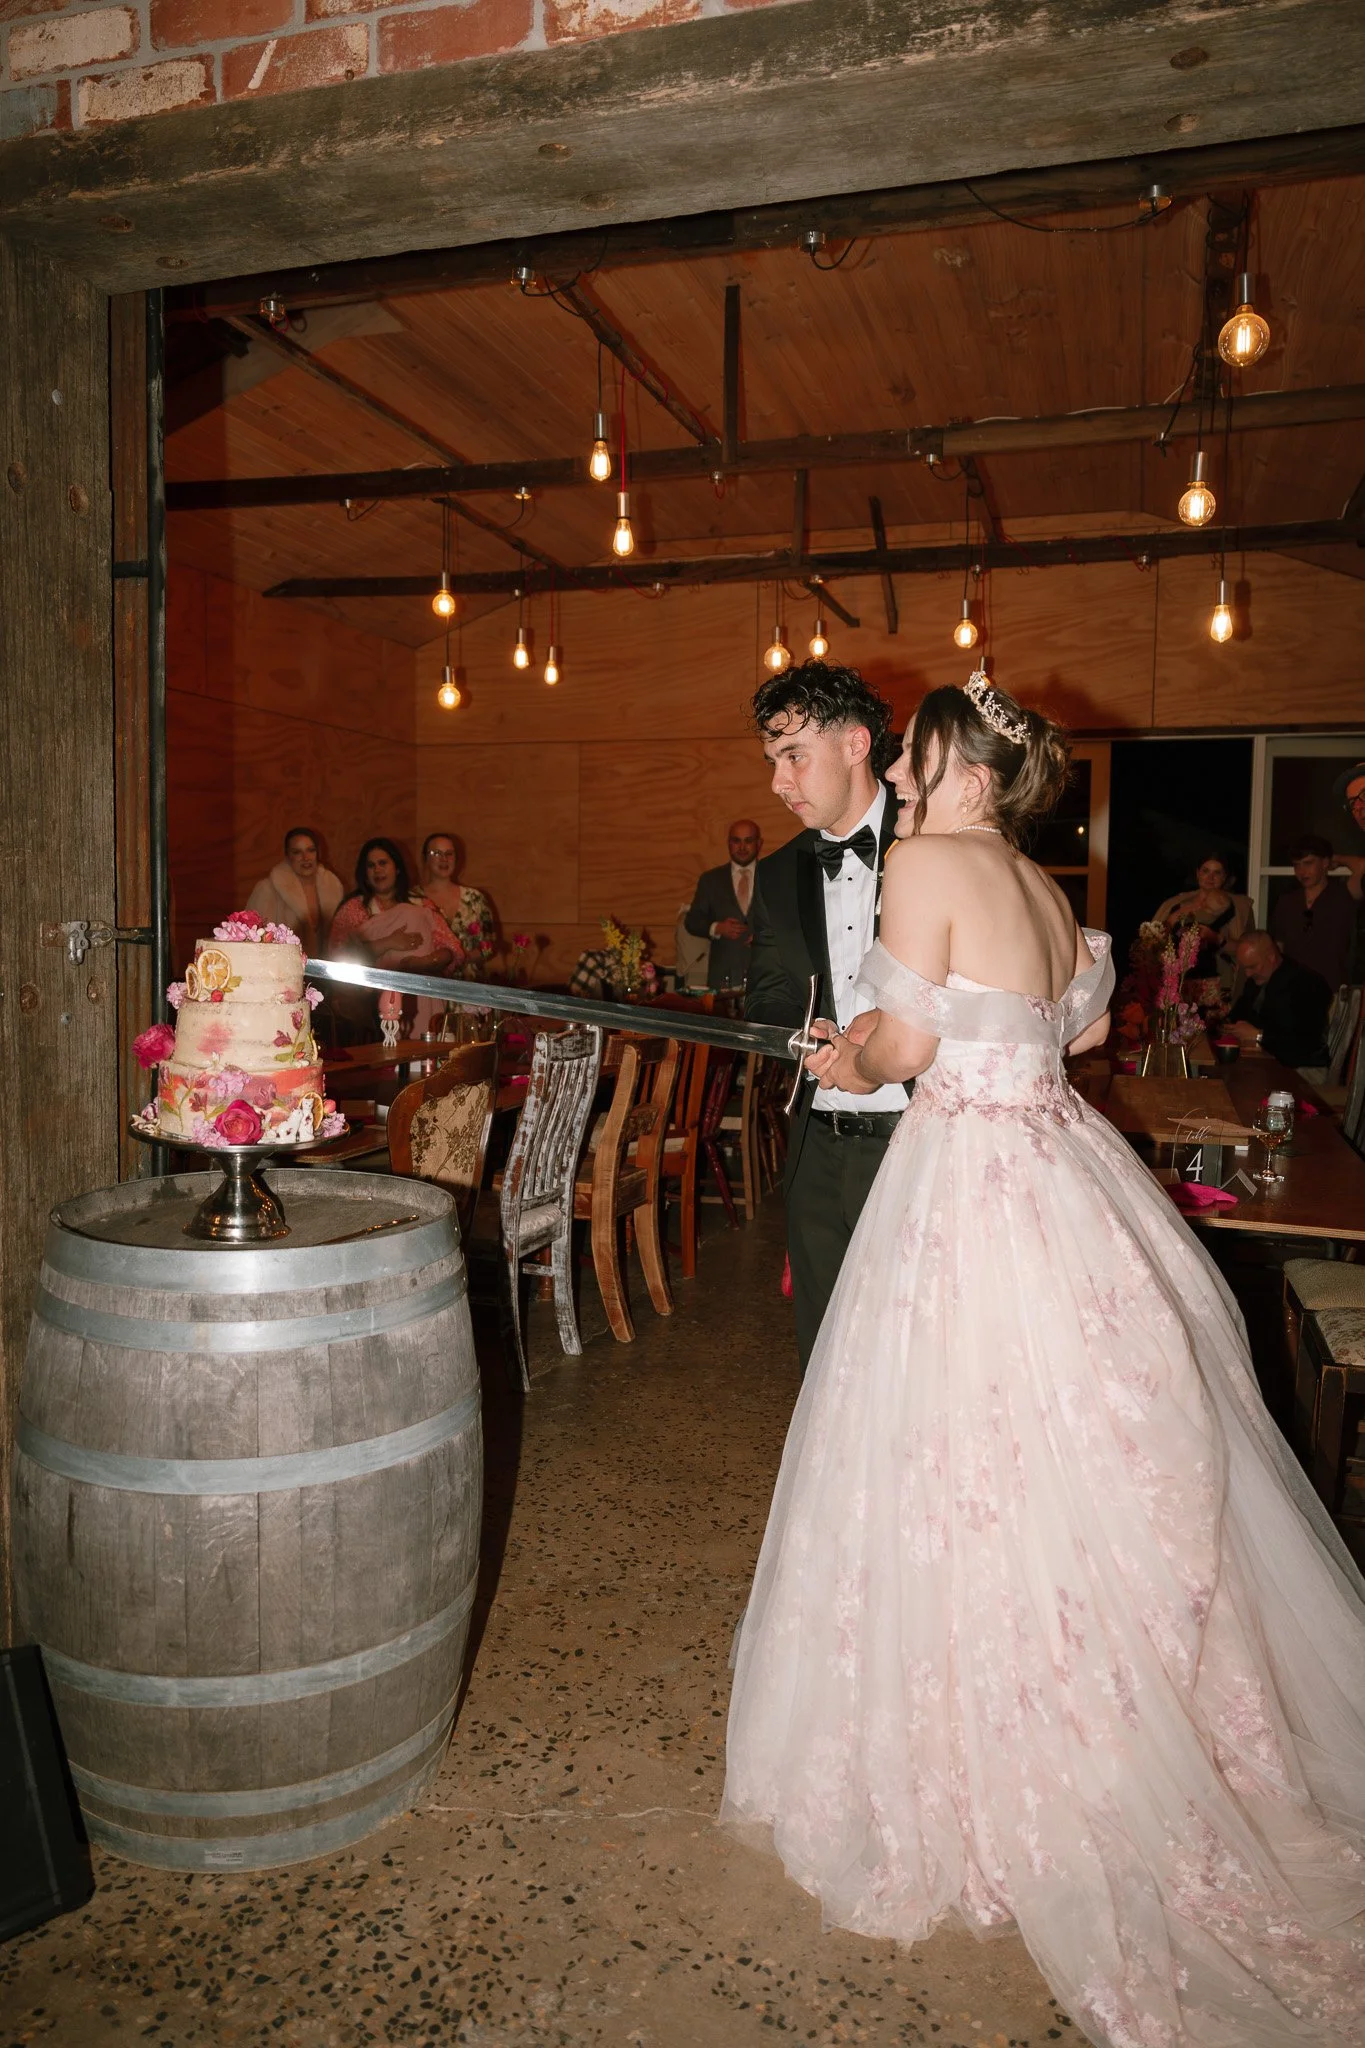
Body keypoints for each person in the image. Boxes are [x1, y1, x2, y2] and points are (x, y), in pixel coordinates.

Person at [723, 671, 1365, 2048]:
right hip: (1063, 1173)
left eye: (913, 756)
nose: (895, 772)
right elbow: (1076, 1032)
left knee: (950, 1453)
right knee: (1081, 1454)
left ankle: (990, 1756)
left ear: (962, 771)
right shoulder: (1041, 887)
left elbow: (897, 1043)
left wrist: (841, 1061)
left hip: (959, 1184)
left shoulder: (932, 862)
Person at [744, 661, 904, 1370]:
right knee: (826, 1353)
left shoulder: (938, 844)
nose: (778, 782)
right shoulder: (777, 873)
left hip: (922, 1138)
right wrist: (804, 1032)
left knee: (918, 1344)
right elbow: (768, 996)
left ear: (855, 745)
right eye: (772, 760)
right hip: (816, 1146)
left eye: (792, 756)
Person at [330, 837, 462, 1035]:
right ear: (364, 874)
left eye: (383, 863)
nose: (378, 870)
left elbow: (452, 950)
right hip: (369, 1009)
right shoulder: (353, 910)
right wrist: (386, 943)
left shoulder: (421, 905)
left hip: (419, 996)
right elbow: (338, 960)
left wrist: (426, 962)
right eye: (371, 866)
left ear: (397, 868)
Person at [1227, 928, 1333, 1068]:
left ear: (1271, 957)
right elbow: (1239, 1015)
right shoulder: (1256, 981)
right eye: (1244, 968)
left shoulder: (1307, 983)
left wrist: (1259, 1035)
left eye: (1252, 967)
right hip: (1269, 1063)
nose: (1247, 974)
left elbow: (1304, 1043)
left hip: (1302, 1069)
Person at [1151, 852, 1251, 996]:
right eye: (1205, 871)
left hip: (1216, 984)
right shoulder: (1176, 904)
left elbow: (1246, 948)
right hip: (1176, 982)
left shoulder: (1235, 907)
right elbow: (1152, 940)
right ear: (1198, 874)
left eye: (1217, 872)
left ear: (1224, 877)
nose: (1210, 877)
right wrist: (1172, 920)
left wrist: (1215, 938)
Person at [1270, 835, 1361, 992]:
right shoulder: (1287, 902)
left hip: (1333, 989)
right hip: (1293, 989)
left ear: (1325, 863)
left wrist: (1337, 858)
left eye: (1308, 863)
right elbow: (1279, 948)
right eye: (1297, 865)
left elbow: (1362, 866)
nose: (1302, 871)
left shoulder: (1343, 895)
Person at [683, 820, 763, 990]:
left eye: (748, 841)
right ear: (728, 843)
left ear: (758, 843)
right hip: (722, 978)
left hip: (765, 976)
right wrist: (717, 928)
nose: (742, 847)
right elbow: (692, 921)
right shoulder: (710, 880)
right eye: (736, 841)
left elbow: (788, 921)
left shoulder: (772, 876)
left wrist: (766, 936)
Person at [245, 825, 345, 959]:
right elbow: (251, 941)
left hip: (323, 973)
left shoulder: (333, 887)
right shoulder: (267, 889)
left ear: (318, 853)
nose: (306, 857)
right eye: (297, 852)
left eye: (311, 850)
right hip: (280, 970)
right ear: (287, 856)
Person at [415, 832, 496, 971]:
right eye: (436, 853)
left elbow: (490, 945)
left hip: (468, 985)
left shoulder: (475, 898)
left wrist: (462, 957)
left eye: (449, 853)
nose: (444, 859)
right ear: (425, 859)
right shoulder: (412, 898)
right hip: (426, 984)